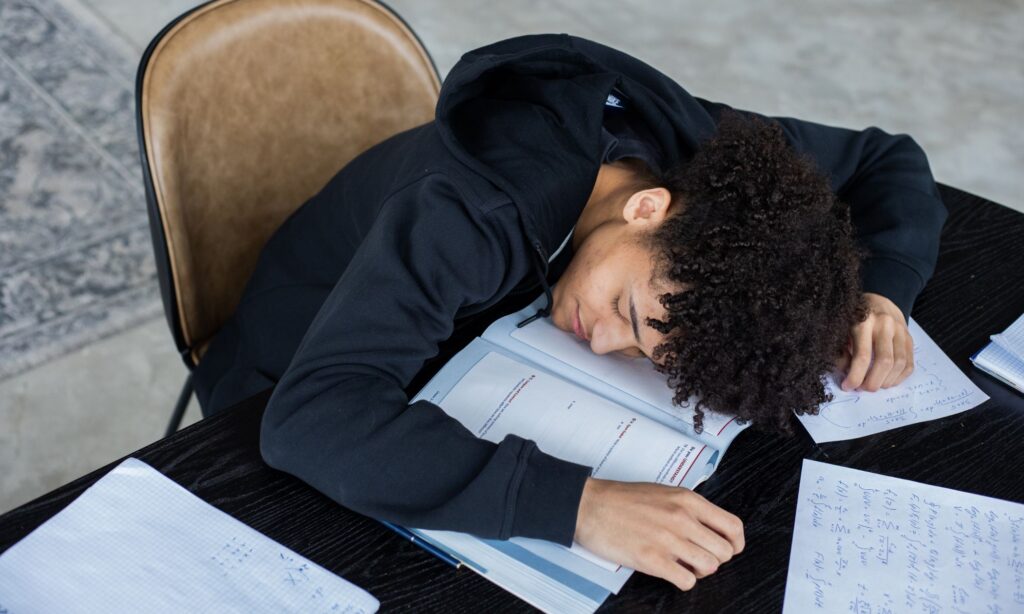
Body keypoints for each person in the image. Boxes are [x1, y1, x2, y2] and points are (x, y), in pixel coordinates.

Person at [191, 33, 946, 592]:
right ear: (649, 207)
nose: (605, 341)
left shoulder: (700, 167)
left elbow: (888, 162)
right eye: (632, 312)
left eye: (650, 357)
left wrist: (880, 291)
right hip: (281, 378)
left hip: (458, 355)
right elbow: (310, 420)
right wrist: (579, 506)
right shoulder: (468, 213)